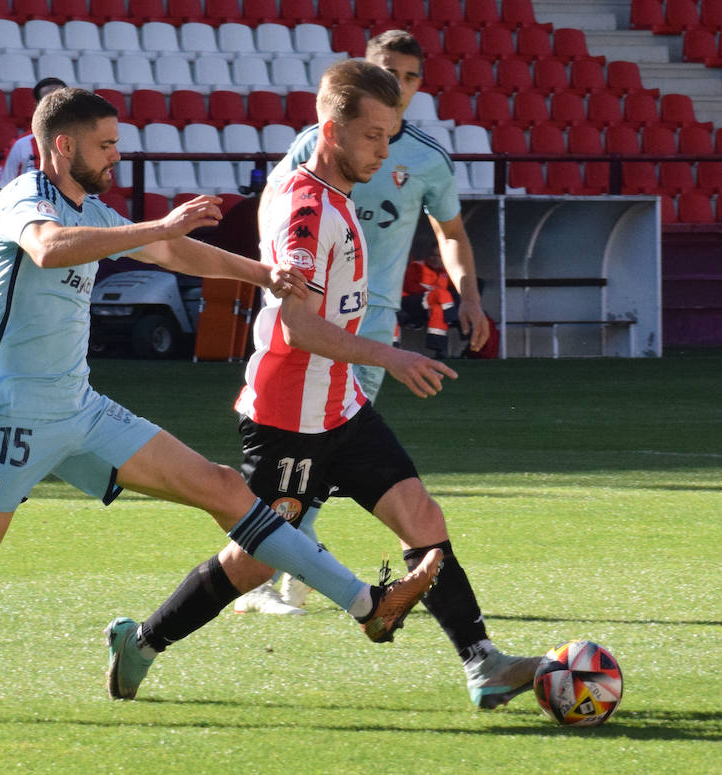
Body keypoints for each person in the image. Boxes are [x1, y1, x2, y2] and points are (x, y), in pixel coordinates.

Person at [0, 87, 442, 712]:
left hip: (79, 410)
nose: (115, 157)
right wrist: (158, 228)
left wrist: (263, 274)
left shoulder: (92, 207)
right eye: (106, 145)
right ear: (64, 146)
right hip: (12, 420)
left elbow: (175, 255)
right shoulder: (25, 200)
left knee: (225, 488)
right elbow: (50, 250)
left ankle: (366, 603)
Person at [106, 60, 541, 710]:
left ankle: (482, 663)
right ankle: (142, 642)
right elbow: (298, 326)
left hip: (340, 406)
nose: (383, 150)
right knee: (251, 561)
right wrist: (388, 355)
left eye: (390, 135)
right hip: (287, 420)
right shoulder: (306, 210)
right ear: (330, 128)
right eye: (372, 135)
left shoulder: (334, 195)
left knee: (422, 515)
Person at [234, 29, 491, 617]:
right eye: (389, 74)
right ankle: (281, 570)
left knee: (337, 443)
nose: (400, 88)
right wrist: (283, 284)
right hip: (309, 315)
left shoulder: (428, 157)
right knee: (319, 445)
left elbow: (451, 233)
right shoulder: (319, 146)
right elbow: (279, 209)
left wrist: (468, 297)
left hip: (371, 322)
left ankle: (291, 571)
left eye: (410, 77)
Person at [0, 76, 67, 204]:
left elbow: (91, 195)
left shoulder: (84, 142)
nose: (57, 105)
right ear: (38, 106)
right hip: (35, 218)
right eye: (49, 100)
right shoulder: (22, 144)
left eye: (62, 100)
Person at [399, 238, 458, 358]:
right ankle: (454, 318)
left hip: (429, 308)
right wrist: (432, 292)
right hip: (410, 304)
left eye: (439, 256)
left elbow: (456, 290)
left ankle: (438, 348)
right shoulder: (417, 267)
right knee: (441, 295)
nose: (435, 258)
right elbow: (409, 287)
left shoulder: (445, 272)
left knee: (438, 310)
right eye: (432, 255)